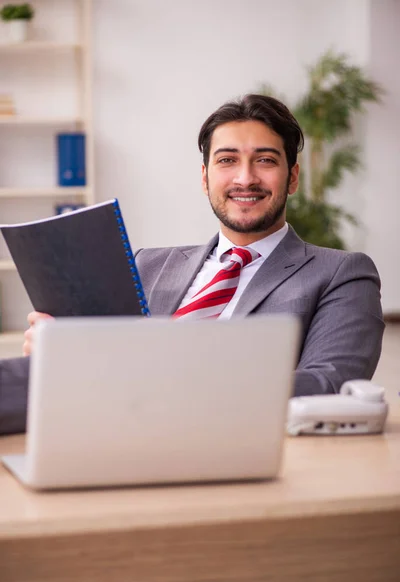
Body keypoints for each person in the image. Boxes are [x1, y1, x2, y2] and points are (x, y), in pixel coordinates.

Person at [0, 94, 384, 435]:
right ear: (205, 178)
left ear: (293, 177)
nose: (245, 178)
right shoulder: (149, 264)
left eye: (265, 160)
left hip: (222, 437)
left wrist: (177, 379)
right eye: (227, 160)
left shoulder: (341, 273)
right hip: (107, 424)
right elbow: (95, 358)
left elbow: (331, 384)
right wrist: (57, 349)